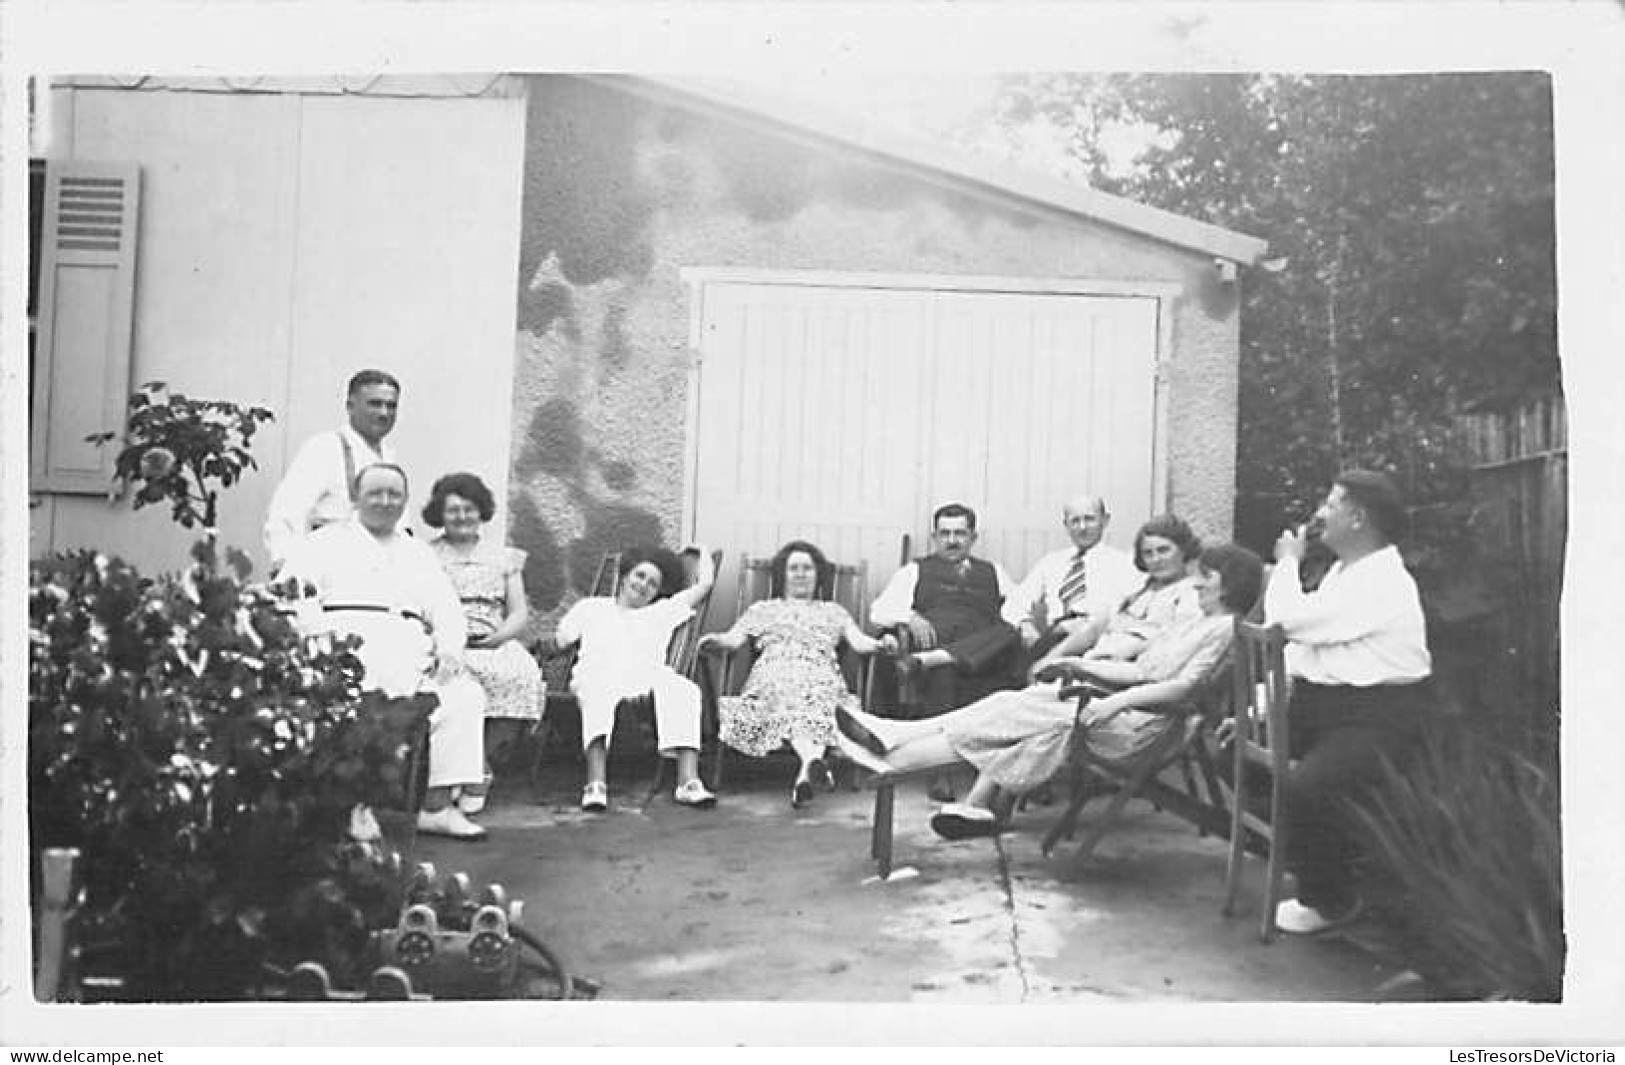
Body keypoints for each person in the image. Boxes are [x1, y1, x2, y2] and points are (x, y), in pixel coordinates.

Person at [836, 543, 1264, 841]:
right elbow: (1137, 669)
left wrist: (1114, 700)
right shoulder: (1192, 622)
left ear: (1228, 584)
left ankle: (894, 753)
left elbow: (1182, 687)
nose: (1197, 584)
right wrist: (1078, 663)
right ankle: (900, 747)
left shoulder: (1225, 629)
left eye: (1206, 578)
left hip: (1140, 726)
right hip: (1117, 708)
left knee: (1013, 716)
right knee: (1010, 707)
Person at [279, 463, 489, 840]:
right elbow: (292, 597)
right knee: (354, 708)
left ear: (405, 501)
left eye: (394, 494)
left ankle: (436, 806)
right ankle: (357, 807)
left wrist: (449, 648)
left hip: (409, 650)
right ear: (356, 499)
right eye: (375, 493)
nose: (385, 501)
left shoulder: (417, 552)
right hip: (345, 648)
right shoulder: (323, 543)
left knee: (463, 696)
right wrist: (320, 644)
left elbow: (446, 608)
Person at [1263, 469, 1433, 935]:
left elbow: (1285, 622)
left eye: (1331, 502)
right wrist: (1258, 712)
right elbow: (1307, 651)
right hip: (1327, 709)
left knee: (1305, 789)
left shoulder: (1382, 581)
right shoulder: (1346, 572)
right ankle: (1309, 857)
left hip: (1377, 719)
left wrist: (1286, 564)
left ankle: (1331, 901)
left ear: (1358, 518)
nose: (1319, 512)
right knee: (1233, 750)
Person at [696, 540, 890, 808]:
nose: (801, 574)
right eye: (794, 568)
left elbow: (860, 642)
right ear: (782, 575)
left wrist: (881, 645)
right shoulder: (762, 610)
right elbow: (732, 640)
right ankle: (810, 765)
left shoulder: (834, 612)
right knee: (793, 695)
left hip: (820, 674)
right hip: (773, 674)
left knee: (815, 695)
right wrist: (715, 640)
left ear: (818, 574)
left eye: (807, 568)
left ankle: (807, 771)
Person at [552, 544, 718, 812]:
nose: (644, 585)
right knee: (597, 690)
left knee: (683, 688)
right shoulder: (591, 607)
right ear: (625, 575)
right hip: (598, 673)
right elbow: (561, 640)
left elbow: (705, 585)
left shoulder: (662, 611)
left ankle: (688, 782)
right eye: (640, 576)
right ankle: (595, 784)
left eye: (653, 584)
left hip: (645, 677)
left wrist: (703, 551)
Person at [423, 471, 543, 814]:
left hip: (493, 640)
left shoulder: (503, 557)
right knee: (455, 688)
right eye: (453, 510)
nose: (462, 517)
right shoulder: (426, 555)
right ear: (439, 514)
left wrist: (499, 637)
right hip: (447, 645)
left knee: (522, 677)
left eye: (470, 509)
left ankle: (479, 766)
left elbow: (519, 612)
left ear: (482, 511)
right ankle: (462, 772)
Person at [870, 503, 1021, 716]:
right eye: (945, 534)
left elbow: (1018, 609)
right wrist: (910, 617)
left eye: (960, 533)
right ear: (935, 537)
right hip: (936, 644)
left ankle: (943, 656)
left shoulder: (994, 571)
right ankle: (944, 656)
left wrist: (1023, 624)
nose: (952, 541)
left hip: (982, 659)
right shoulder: (915, 570)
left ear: (973, 537)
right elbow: (879, 611)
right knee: (944, 670)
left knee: (1010, 631)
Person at [1028, 513, 1204, 678]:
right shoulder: (1141, 590)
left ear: (1184, 550)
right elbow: (1095, 627)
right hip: (1092, 665)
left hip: (1127, 675)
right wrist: (1052, 656)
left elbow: (1172, 645)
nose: (1156, 559)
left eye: (1164, 550)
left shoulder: (1192, 594)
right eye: (1148, 553)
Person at [265, 369, 402, 572]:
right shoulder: (324, 449)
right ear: (350, 406)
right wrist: (290, 573)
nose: (384, 413)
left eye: (391, 406)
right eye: (374, 404)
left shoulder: (389, 460)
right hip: (331, 571)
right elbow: (285, 515)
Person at [1003, 494, 1142, 664]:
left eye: (1089, 519)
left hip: (1099, 645)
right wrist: (1025, 626)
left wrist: (1090, 626)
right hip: (1054, 640)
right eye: (1075, 521)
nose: (1082, 528)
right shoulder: (1051, 563)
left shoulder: (1124, 564)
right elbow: (1015, 603)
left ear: (1105, 521)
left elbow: (1136, 614)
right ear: (1066, 525)